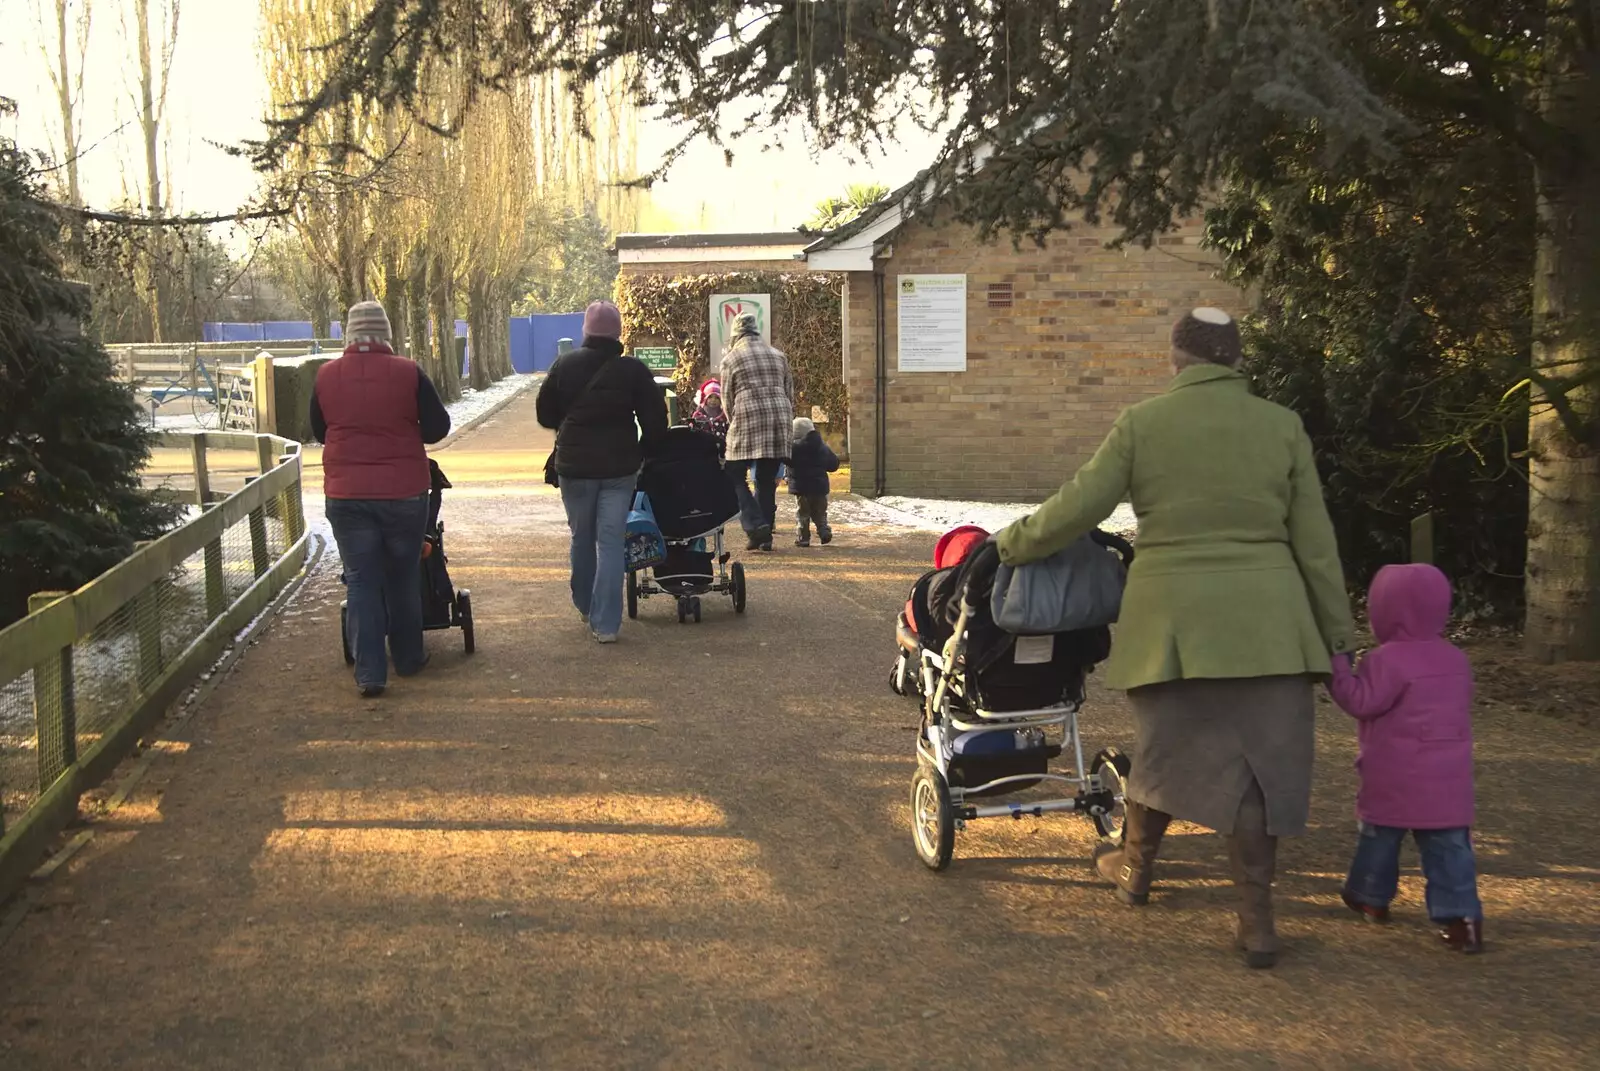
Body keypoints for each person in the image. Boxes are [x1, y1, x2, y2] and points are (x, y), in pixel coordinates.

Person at [993, 307, 1354, 969]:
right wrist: (1338, 634)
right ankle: (1256, 921)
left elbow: (1080, 505)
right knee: (1259, 779)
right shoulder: (1282, 427)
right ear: (1237, 359)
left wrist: (1012, 543)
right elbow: (1317, 544)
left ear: (1175, 357)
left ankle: (1133, 869)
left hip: (1173, 626)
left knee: (1162, 758)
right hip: (1272, 627)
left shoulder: (1143, 423)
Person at [1329, 564, 1483, 953]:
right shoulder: (1456, 660)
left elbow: (1361, 702)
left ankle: (1370, 897)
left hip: (1393, 774)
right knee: (1450, 847)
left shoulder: (1385, 661)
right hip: (1448, 778)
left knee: (1380, 838)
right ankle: (1461, 918)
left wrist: (1338, 666)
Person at [310, 299, 451, 698]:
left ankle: (370, 673)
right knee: (402, 576)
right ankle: (408, 658)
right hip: (403, 493)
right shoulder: (409, 373)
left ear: (350, 335)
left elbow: (320, 430)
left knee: (361, 581)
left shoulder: (325, 376)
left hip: (347, 495)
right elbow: (438, 427)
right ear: (387, 334)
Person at [536, 300, 669, 643]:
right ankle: (607, 624)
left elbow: (545, 415)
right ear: (618, 333)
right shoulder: (633, 370)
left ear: (586, 331)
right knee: (610, 543)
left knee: (582, 537)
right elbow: (656, 421)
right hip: (619, 468)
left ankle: (584, 603)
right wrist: (645, 452)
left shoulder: (564, 365)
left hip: (575, 468)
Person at [720, 313, 795, 552]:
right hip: (779, 418)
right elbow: (789, 391)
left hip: (748, 416)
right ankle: (764, 537)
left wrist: (734, 423)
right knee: (765, 479)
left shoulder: (731, 358)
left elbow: (726, 398)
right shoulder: (778, 355)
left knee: (733, 474)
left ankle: (754, 523)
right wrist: (785, 420)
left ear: (736, 334)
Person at [787, 416, 839, 547]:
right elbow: (833, 464)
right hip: (820, 488)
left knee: (803, 514)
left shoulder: (793, 449)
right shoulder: (822, 447)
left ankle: (803, 537)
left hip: (802, 488)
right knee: (820, 512)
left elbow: (786, 460)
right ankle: (824, 531)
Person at [690, 378, 729, 457]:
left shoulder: (725, 416)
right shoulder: (698, 416)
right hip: (702, 453)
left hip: (722, 453)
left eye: (717, 397)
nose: (713, 400)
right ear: (704, 398)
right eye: (710, 397)